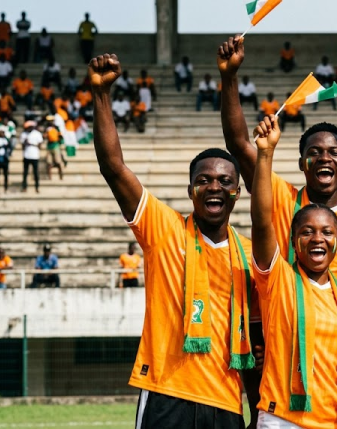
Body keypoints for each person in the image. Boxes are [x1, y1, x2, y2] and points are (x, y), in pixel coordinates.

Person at [218, 36, 337, 429]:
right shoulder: (280, 197)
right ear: (301, 163)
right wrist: (229, 79)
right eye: (314, 152)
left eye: (333, 153)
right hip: (283, 339)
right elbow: (239, 146)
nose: (324, 158)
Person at [89, 53, 255, 427]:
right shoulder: (163, 229)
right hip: (166, 393)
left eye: (225, 181)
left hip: (227, 400)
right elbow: (113, 168)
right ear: (190, 190)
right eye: (204, 180)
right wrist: (101, 94)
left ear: (238, 192)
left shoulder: (249, 254)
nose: (214, 186)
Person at [251, 116, 337, 428]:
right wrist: (264, 154)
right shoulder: (278, 279)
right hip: (282, 416)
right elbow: (261, 220)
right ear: (293, 240)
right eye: (307, 231)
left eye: (327, 232)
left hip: (336, 419)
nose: (317, 239)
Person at [20, 120, 42, 193]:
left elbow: (40, 145)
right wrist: (25, 143)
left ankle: (37, 187)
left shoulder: (37, 134)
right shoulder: (23, 134)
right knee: (25, 173)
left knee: (36, 172)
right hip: (26, 155)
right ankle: (24, 187)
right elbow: (22, 146)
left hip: (35, 156)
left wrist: (32, 144)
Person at [0, 126, 14, 193]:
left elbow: (10, 148)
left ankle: (6, 187)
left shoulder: (6, 140)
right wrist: (2, 146)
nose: (2, 134)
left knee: (6, 174)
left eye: (3, 133)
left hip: (5, 159)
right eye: (1, 132)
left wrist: (8, 149)